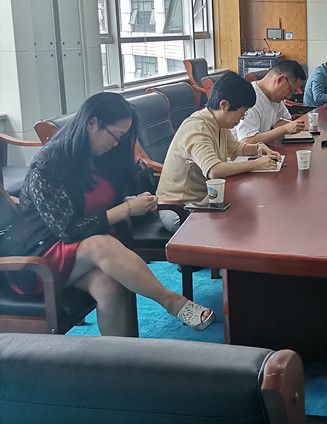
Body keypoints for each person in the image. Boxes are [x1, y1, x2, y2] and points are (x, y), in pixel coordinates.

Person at [0, 92, 214, 335]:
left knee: (110, 286)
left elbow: (99, 203)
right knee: (100, 244)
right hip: (37, 257)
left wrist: (127, 202)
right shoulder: (48, 165)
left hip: (76, 254)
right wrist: (125, 210)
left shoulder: (101, 157)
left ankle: (120, 356)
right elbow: (68, 231)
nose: (116, 144)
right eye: (116, 136)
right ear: (92, 124)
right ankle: (173, 302)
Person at [157, 72, 281, 206]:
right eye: (242, 113)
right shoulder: (198, 127)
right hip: (180, 207)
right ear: (224, 104)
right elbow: (214, 170)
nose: (242, 118)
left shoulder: (219, 123)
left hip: (206, 198)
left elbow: (236, 149)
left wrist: (257, 148)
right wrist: (257, 164)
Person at [234, 60, 307, 145]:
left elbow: (284, 121)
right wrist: (284, 129)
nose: (289, 97)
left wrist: (297, 127)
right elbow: (247, 141)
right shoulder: (250, 97)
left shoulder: (275, 98)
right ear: (280, 79)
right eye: (291, 91)